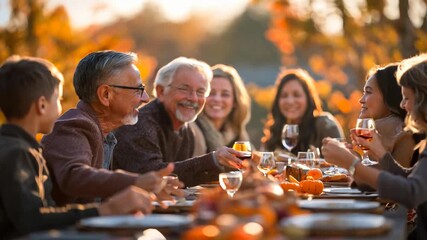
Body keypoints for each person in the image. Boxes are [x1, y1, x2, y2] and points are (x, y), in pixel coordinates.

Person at [0, 56, 156, 239]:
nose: (61, 107)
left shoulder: (22, 148)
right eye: (58, 99)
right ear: (41, 105)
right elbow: (31, 221)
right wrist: (104, 211)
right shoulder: (17, 152)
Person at [42, 50, 183, 206]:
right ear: (106, 94)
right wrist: (135, 181)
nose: (146, 98)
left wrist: (142, 190)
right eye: (138, 90)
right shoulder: (73, 126)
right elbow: (74, 176)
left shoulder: (104, 133)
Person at [322, 54, 427, 239]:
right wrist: (380, 153)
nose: (403, 105)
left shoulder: (404, 134)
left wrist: (353, 164)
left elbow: (411, 192)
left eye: (407, 98)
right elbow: (409, 177)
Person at [113, 57, 245, 187]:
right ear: (161, 91)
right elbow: (151, 175)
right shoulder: (139, 125)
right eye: (184, 89)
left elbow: (183, 177)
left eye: (200, 92)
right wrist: (214, 160)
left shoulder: (187, 130)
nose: (193, 98)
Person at [261, 68, 344, 155]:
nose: (290, 101)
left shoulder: (325, 125)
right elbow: (266, 165)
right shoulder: (275, 132)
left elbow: (342, 163)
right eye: (284, 96)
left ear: (308, 98)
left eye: (297, 95)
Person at [358, 63, 415, 167]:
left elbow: (396, 180)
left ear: (390, 97)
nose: (361, 100)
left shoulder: (399, 132)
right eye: (363, 92)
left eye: (368, 92)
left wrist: (351, 162)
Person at [191, 64, 251, 156]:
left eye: (225, 94)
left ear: (235, 101)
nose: (217, 99)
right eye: (211, 93)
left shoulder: (238, 133)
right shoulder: (191, 131)